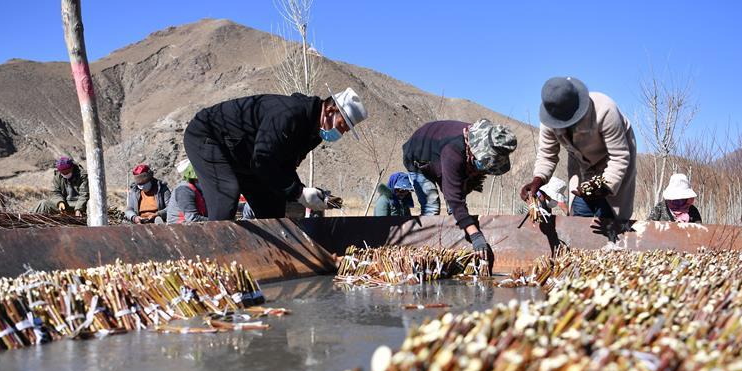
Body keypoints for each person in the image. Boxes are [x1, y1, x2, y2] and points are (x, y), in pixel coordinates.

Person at [183, 88, 367, 221]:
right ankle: (210, 258)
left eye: (345, 130)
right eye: (342, 125)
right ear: (329, 110)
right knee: (226, 195)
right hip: (208, 135)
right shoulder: (290, 114)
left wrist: (301, 190)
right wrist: (299, 193)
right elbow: (263, 160)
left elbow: (283, 165)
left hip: (246, 154)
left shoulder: (313, 134)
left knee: (273, 205)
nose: (341, 133)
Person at [402, 119, 518, 267]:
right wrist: (475, 234)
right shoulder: (453, 151)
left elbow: (458, 191)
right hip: (418, 155)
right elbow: (454, 197)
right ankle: (425, 254)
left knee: (454, 207)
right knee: (431, 204)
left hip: (439, 155)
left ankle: (455, 243)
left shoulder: (471, 147)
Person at [521, 77, 636, 220]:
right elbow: (547, 155)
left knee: (609, 216)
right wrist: (538, 181)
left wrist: (604, 187)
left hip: (613, 162)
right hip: (581, 165)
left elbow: (619, 156)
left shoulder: (605, 110)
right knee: (580, 213)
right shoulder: (549, 120)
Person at [167, 159, 208, 224]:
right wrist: (214, 221)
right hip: (179, 226)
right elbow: (191, 218)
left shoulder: (198, 189)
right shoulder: (184, 190)